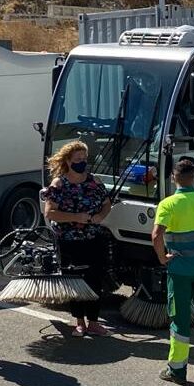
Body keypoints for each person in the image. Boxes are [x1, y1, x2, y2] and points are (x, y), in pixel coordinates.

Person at [152, 159, 194, 384]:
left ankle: (177, 370)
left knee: (180, 320)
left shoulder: (168, 204)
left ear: (174, 178)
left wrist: (163, 258)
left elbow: (155, 236)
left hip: (179, 271)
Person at [43, 141, 113, 337]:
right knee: (74, 280)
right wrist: (75, 217)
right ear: (67, 160)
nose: (82, 162)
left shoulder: (94, 182)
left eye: (84, 159)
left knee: (94, 279)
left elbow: (107, 204)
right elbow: (50, 213)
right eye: (77, 159)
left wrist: (100, 216)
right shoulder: (59, 184)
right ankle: (79, 322)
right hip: (68, 240)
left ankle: (93, 322)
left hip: (93, 238)